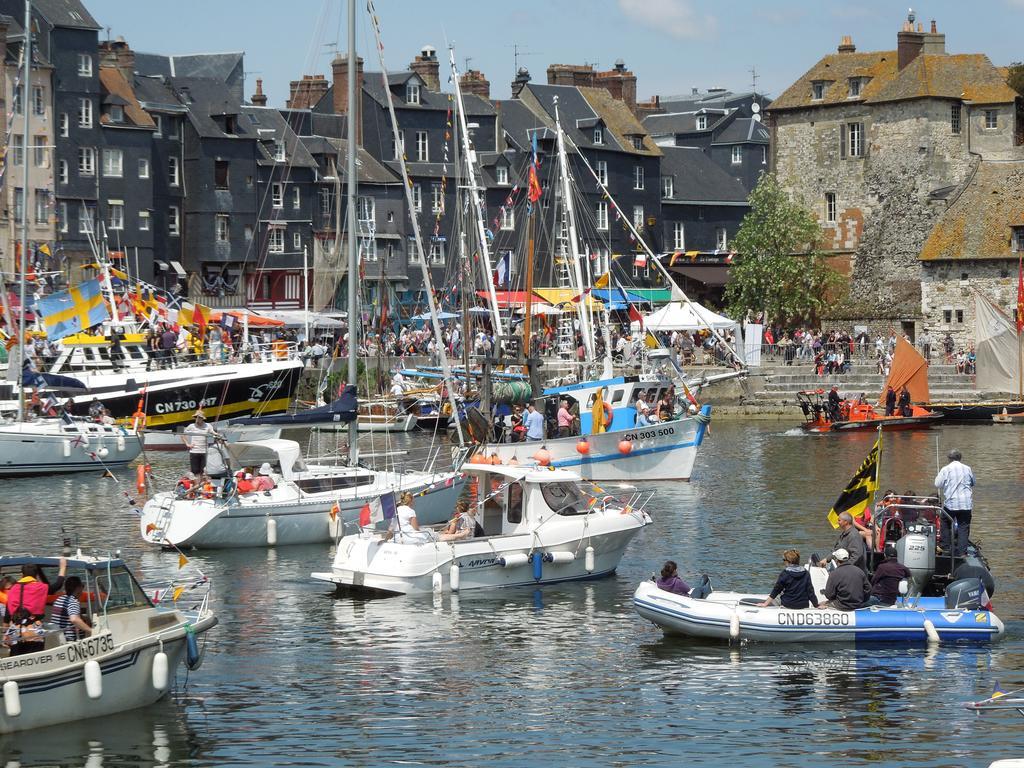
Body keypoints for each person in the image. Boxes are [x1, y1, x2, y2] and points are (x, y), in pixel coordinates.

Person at [935, 449, 975, 556]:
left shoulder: (946, 469)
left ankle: (946, 547)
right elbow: (973, 482)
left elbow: (937, 484)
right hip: (966, 504)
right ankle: (962, 552)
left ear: (949, 459)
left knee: (945, 521)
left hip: (951, 504)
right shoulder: (968, 468)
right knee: (964, 526)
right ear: (960, 458)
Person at [52, 576, 92, 642]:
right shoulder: (73, 602)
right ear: (78, 588)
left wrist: (85, 618)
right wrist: (91, 631)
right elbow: (74, 619)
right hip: (71, 640)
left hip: (58, 638)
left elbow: (68, 616)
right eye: (82, 586)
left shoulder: (59, 600)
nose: (82, 589)